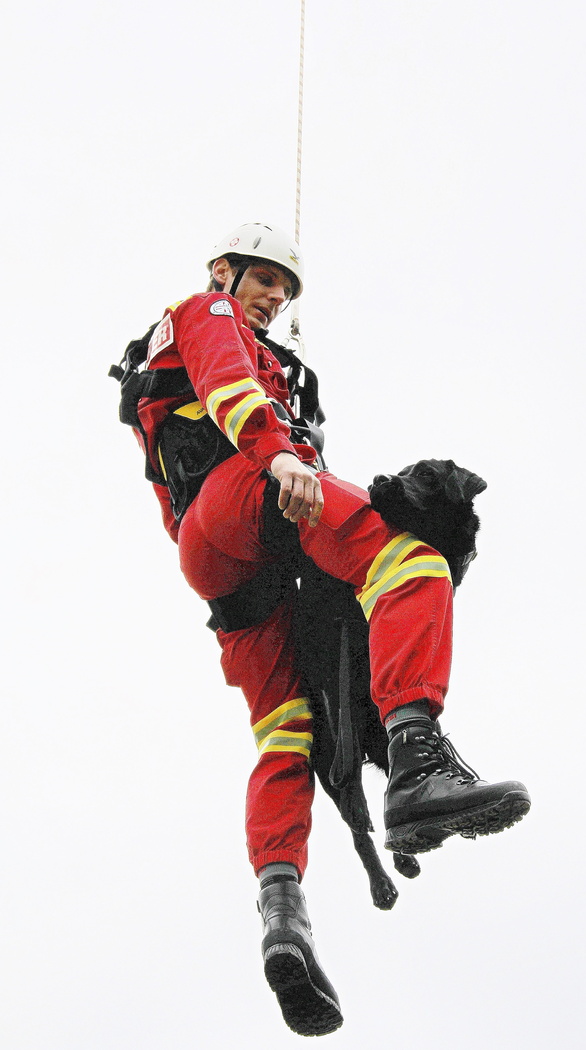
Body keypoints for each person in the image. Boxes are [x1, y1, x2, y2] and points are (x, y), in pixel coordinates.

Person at [126, 222, 530, 1037]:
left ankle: (283, 913)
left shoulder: (236, 350)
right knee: (411, 563)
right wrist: (282, 456)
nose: (275, 296)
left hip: (218, 563)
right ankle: (417, 763)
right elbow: (231, 385)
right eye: (266, 278)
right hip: (243, 495)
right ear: (224, 270)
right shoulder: (208, 311)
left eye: (285, 288)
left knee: (287, 730)